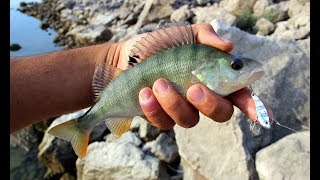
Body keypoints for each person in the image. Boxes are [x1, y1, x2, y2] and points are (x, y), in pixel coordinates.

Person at [10, 23, 272, 133]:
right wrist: (116, 58)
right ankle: (82, 126)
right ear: (206, 71)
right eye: (236, 66)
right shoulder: (202, 64)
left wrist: (117, 56)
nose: (241, 68)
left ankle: (82, 126)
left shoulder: (207, 64)